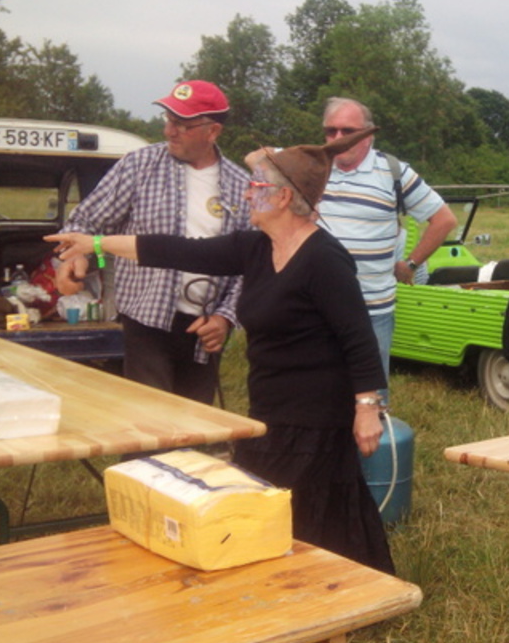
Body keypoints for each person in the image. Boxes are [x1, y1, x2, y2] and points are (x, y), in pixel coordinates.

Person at [48, 127, 395, 573]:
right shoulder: (256, 247)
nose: (246, 194)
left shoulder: (324, 259)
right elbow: (175, 250)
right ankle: (305, 581)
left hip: (316, 414)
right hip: (270, 407)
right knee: (276, 504)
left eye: (256, 186)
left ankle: (331, 584)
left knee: (303, 509)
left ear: (284, 198)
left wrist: (367, 408)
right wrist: (95, 243)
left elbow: (358, 337)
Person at [56, 81, 250, 403]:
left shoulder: (241, 186)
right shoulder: (139, 165)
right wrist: (75, 258)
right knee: (149, 417)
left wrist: (226, 317)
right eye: (168, 120)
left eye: (182, 125)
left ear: (213, 131)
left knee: (196, 422)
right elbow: (85, 222)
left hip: (205, 329)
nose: (169, 131)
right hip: (145, 320)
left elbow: (249, 262)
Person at [317, 97, 457, 383]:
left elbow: (444, 220)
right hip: (317, 307)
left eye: (348, 131)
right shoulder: (312, 167)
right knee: (318, 390)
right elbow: (261, 162)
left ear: (368, 135)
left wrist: (410, 264)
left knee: (371, 394)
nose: (338, 138)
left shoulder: (394, 171)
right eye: (331, 131)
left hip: (372, 310)